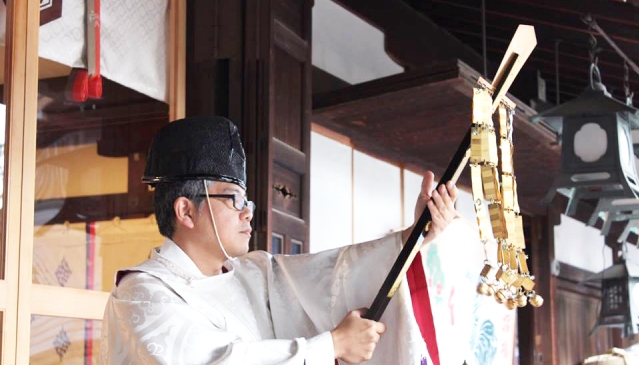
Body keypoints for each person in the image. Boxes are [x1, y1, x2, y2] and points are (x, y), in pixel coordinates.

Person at [99, 116, 458, 365]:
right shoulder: (143, 294)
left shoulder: (250, 274)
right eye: (233, 199)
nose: (247, 213)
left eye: (247, 201)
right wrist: (331, 345)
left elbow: (333, 275)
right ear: (185, 211)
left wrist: (414, 238)